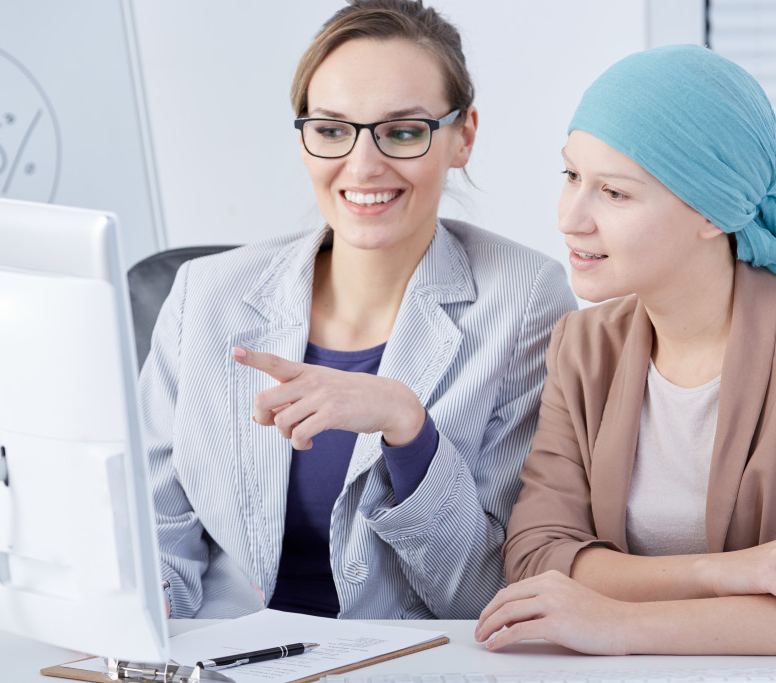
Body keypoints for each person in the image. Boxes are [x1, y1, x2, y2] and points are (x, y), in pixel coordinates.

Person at [474, 44, 776, 657]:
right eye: (571, 176)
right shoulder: (584, 345)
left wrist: (621, 625)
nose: (571, 217)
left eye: (614, 193)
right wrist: (721, 570)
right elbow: (539, 555)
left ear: (711, 213)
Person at [141, 0, 576, 620]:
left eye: (402, 132)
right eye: (331, 129)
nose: (363, 165)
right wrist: (135, 616)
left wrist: (409, 429)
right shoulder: (204, 295)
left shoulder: (526, 303)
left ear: (463, 137)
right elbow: (154, 539)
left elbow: (492, 591)